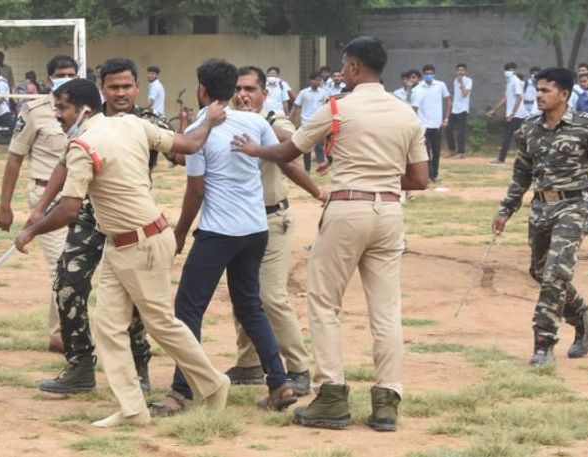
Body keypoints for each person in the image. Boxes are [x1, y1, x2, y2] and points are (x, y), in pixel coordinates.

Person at [232, 36, 429, 432]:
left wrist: (256, 150)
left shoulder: (337, 107)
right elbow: (420, 179)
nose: (340, 72)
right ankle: (387, 401)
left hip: (346, 208)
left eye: (343, 66)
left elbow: (289, 152)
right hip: (389, 209)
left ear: (355, 67)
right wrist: (382, 177)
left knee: (325, 304)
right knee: (386, 311)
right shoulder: (405, 111)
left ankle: (332, 397)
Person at [15, 78, 232, 428]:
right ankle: (132, 408)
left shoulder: (82, 145)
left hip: (140, 243)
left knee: (160, 323)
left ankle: (214, 383)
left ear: (83, 108)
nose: (57, 115)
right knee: (109, 327)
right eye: (56, 107)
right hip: (126, 242)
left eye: (62, 107)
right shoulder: (131, 123)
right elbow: (190, 143)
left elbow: (70, 209)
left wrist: (30, 231)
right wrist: (208, 119)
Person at [150, 58, 297, 417]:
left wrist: (180, 233)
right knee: (250, 306)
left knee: (188, 310)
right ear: (233, 90)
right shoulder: (256, 121)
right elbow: (273, 157)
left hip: (219, 232)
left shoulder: (200, 130)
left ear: (201, 89)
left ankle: (181, 392)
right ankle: (279, 383)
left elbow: (195, 192)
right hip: (255, 230)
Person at [27, 58, 172, 395]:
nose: (121, 93)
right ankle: (79, 366)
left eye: (127, 86)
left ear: (137, 86)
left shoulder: (148, 121)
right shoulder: (87, 120)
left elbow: (181, 152)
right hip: (90, 215)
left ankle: (139, 368)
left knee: (134, 292)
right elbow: (65, 165)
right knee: (68, 282)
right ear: (101, 88)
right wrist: (40, 207)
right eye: (113, 87)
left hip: (130, 217)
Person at [492, 67, 588, 366]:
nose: (539, 96)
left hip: (574, 207)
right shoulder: (528, 128)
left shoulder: (587, 126)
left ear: (564, 94)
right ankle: (585, 318)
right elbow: (522, 173)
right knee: (540, 272)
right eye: (538, 90)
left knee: (556, 273)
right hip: (541, 209)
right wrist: (506, 209)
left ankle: (543, 344)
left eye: (546, 91)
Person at [223, 65, 325, 395]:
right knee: (243, 294)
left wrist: (260, 125)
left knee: (270, 296)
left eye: (250, 89)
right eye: (238, 88)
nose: (243, 94)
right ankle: (249, 363)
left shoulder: (273, 118)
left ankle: (298, 368)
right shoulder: (224, 118)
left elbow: (290, 148)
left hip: (272, 219)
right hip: (236, 221)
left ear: (264, 94)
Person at [0, 56, 78, 352]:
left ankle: (65, 332)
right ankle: (64, 336)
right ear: (49, 78)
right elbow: (15, 157)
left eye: (70, 73)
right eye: (59, 74)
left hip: (79, 199)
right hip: (45, 198)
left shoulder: (91, 112)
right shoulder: (34, 112)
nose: (65, 78)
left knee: (78, 267)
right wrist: (5, 205)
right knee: (61, 267)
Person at [411, 64, 450, 182]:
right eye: (427, 73)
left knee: (437, 151)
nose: (429, 75)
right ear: (423, 74)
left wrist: (446, 119)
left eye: (431, 73)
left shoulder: (440, 85)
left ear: (434, 74)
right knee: (425, 152)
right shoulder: (418, 89)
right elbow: (414, 108)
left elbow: (448, 101)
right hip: (423, 125)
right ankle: (427, 175)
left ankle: (435, 174)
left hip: (436, 124)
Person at [486, 62, 529, 165]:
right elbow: (505, 99)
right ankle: (525, 159)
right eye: (507, 70)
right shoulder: (509, 82)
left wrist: (512, 114)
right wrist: (494, 110)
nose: (509, 72)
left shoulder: (516, 81)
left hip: (517, 115)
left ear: (514, 70)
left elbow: (519, 97)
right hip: (513, 114)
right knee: (515, 137)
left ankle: (502, 159)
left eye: (511, 70)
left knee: (510, 137)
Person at [290, 72, 329, 172]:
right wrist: (290, 117)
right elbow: (296, 105)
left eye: (318, 80)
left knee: (319, 146)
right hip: (306, 121)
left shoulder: (324, 93)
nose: (316, 82)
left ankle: (321, 167)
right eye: (314, 80)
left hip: (320, 122)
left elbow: (328, 106)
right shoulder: (303, 92)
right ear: (310, 81)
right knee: (306, 146)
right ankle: (307, 169)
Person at [446, 63, 472, 159]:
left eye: (462, 70)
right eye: (458, 70)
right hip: (454, 109)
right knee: (448, 129)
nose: (460, 72)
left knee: (460, 131)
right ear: (456, 71)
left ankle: (461, 153)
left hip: (463, 109)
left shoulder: (468, 80)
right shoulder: (455, 81)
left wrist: (462, 83)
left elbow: (465, 94)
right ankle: (452, 150)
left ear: (465, 71)